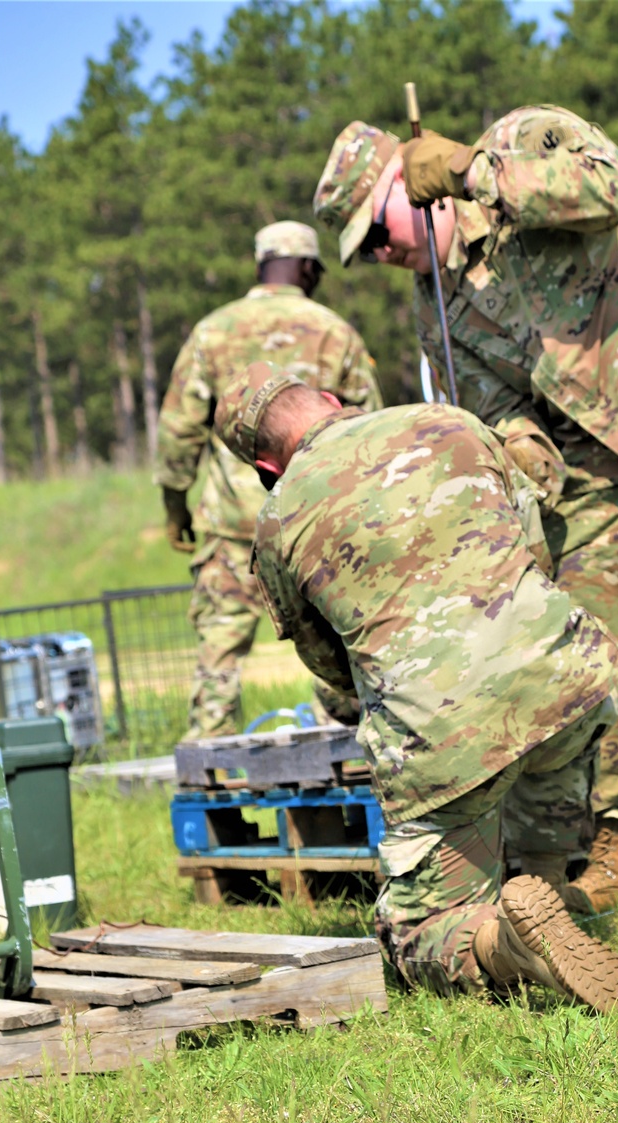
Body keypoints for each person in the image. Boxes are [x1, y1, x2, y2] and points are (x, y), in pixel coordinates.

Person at [313, 114, 618, 935]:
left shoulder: (522, 140)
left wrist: (475, 169)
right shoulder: (437, 308)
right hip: (590, 462)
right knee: (595, 650)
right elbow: (500, 408)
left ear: (412, 182)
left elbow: (599, 188)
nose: (380, 255)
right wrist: (520, 463)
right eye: (365, 252)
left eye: (378, 232)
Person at [213, 359, 618, 1011]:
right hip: (567, 680)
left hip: (444, 737)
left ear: (266, 466)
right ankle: (544, 888)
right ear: (328, 398)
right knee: (544, 793)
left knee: (417, 938)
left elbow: (327, 661)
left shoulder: (277, 522)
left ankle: (504, 943)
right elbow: (539, 548)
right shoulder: (450, 421)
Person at [153, 220, 382, 738]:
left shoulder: (213, 330)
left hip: (234, 523)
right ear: (306, 267)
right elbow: (371, 425)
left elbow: (178, 432)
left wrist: (175, 511)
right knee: (336, 628)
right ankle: (344, 733)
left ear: (260, 265)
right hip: (320, 520)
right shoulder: (334, 330)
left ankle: (210, 749)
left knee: (220, 642)